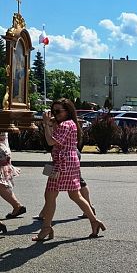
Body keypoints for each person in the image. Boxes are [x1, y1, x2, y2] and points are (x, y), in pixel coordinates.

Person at [34, 98, 105, 241]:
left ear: (68, 111)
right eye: (54, 111)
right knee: (73, 195)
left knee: (50, 194)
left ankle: (46, 227)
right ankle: (94, 221)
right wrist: (51, 124)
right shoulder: (68, 123)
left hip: (63, 163)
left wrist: (46, 125)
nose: (55, 114)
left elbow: (50, 141)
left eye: (58, 111)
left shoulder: (66, 124)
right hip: (66, 161)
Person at [0, 132, 26, 222]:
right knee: (1, 183)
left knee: (1, 184)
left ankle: (17, 206)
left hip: (2, 150)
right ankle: (17, 206)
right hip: (3, 148)